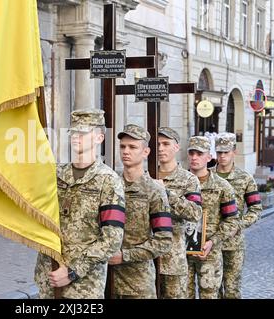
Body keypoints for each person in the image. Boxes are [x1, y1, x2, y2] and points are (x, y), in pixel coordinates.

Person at [34, 108, 126, 299]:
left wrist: (72, 271)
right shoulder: (55, 174)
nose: (76, 137)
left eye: (83, 133)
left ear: (99, 137)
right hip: (48, 276)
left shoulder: (108, 180)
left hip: (84, 286)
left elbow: (112, 238)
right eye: (74, 132)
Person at [108, 124, 173, 299]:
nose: (126, 151)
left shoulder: (154, 190)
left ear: (145, 152)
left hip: (138, 284)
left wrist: (125, 256)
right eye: (122, 146)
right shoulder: (109, 185)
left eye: (132, 147)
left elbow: (164, 240)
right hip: (105, 279)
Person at [186, 136, 239, 299]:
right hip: (181, 253)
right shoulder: (179, 183)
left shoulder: (222, 186)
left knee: (209, 295)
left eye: (199, 154)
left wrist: (212, 242)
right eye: (192, 153)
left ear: (209, 157)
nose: (194, 157)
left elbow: (232, 220)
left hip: (209, 252)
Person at [213, 132, 262, 299]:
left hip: (233, 244)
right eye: (219, 152)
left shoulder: (245, 179)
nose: (222, 156)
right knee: (211, 290)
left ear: (234, 151)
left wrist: (238, 226)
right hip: (211, 242)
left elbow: (256, 209)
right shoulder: (207, 177)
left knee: (232, 289)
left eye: (226, 152)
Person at [155, 127, 203, 299]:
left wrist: (166, 193)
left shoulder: (188, 179)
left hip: (173, 259)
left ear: (176, 147)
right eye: (158, 144)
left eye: (166, 144)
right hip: (145, 259)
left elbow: (195, 212)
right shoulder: (146, 176)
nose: (161, 148)